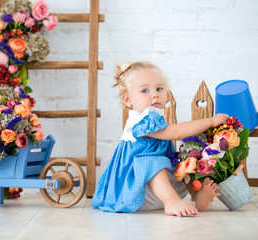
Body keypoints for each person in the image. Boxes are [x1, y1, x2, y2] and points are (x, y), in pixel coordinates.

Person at [92, 61, 228, 217]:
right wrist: (210, 121)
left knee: (185, 162)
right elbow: (177, 132)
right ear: (128, 100)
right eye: (145, 90)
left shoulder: (154, 117)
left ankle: (198, 197)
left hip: (158, 188)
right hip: (137, 188)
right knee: (152, 162)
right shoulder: (141, 121)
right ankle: (171, 201)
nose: (154, 94)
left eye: (159, 88)